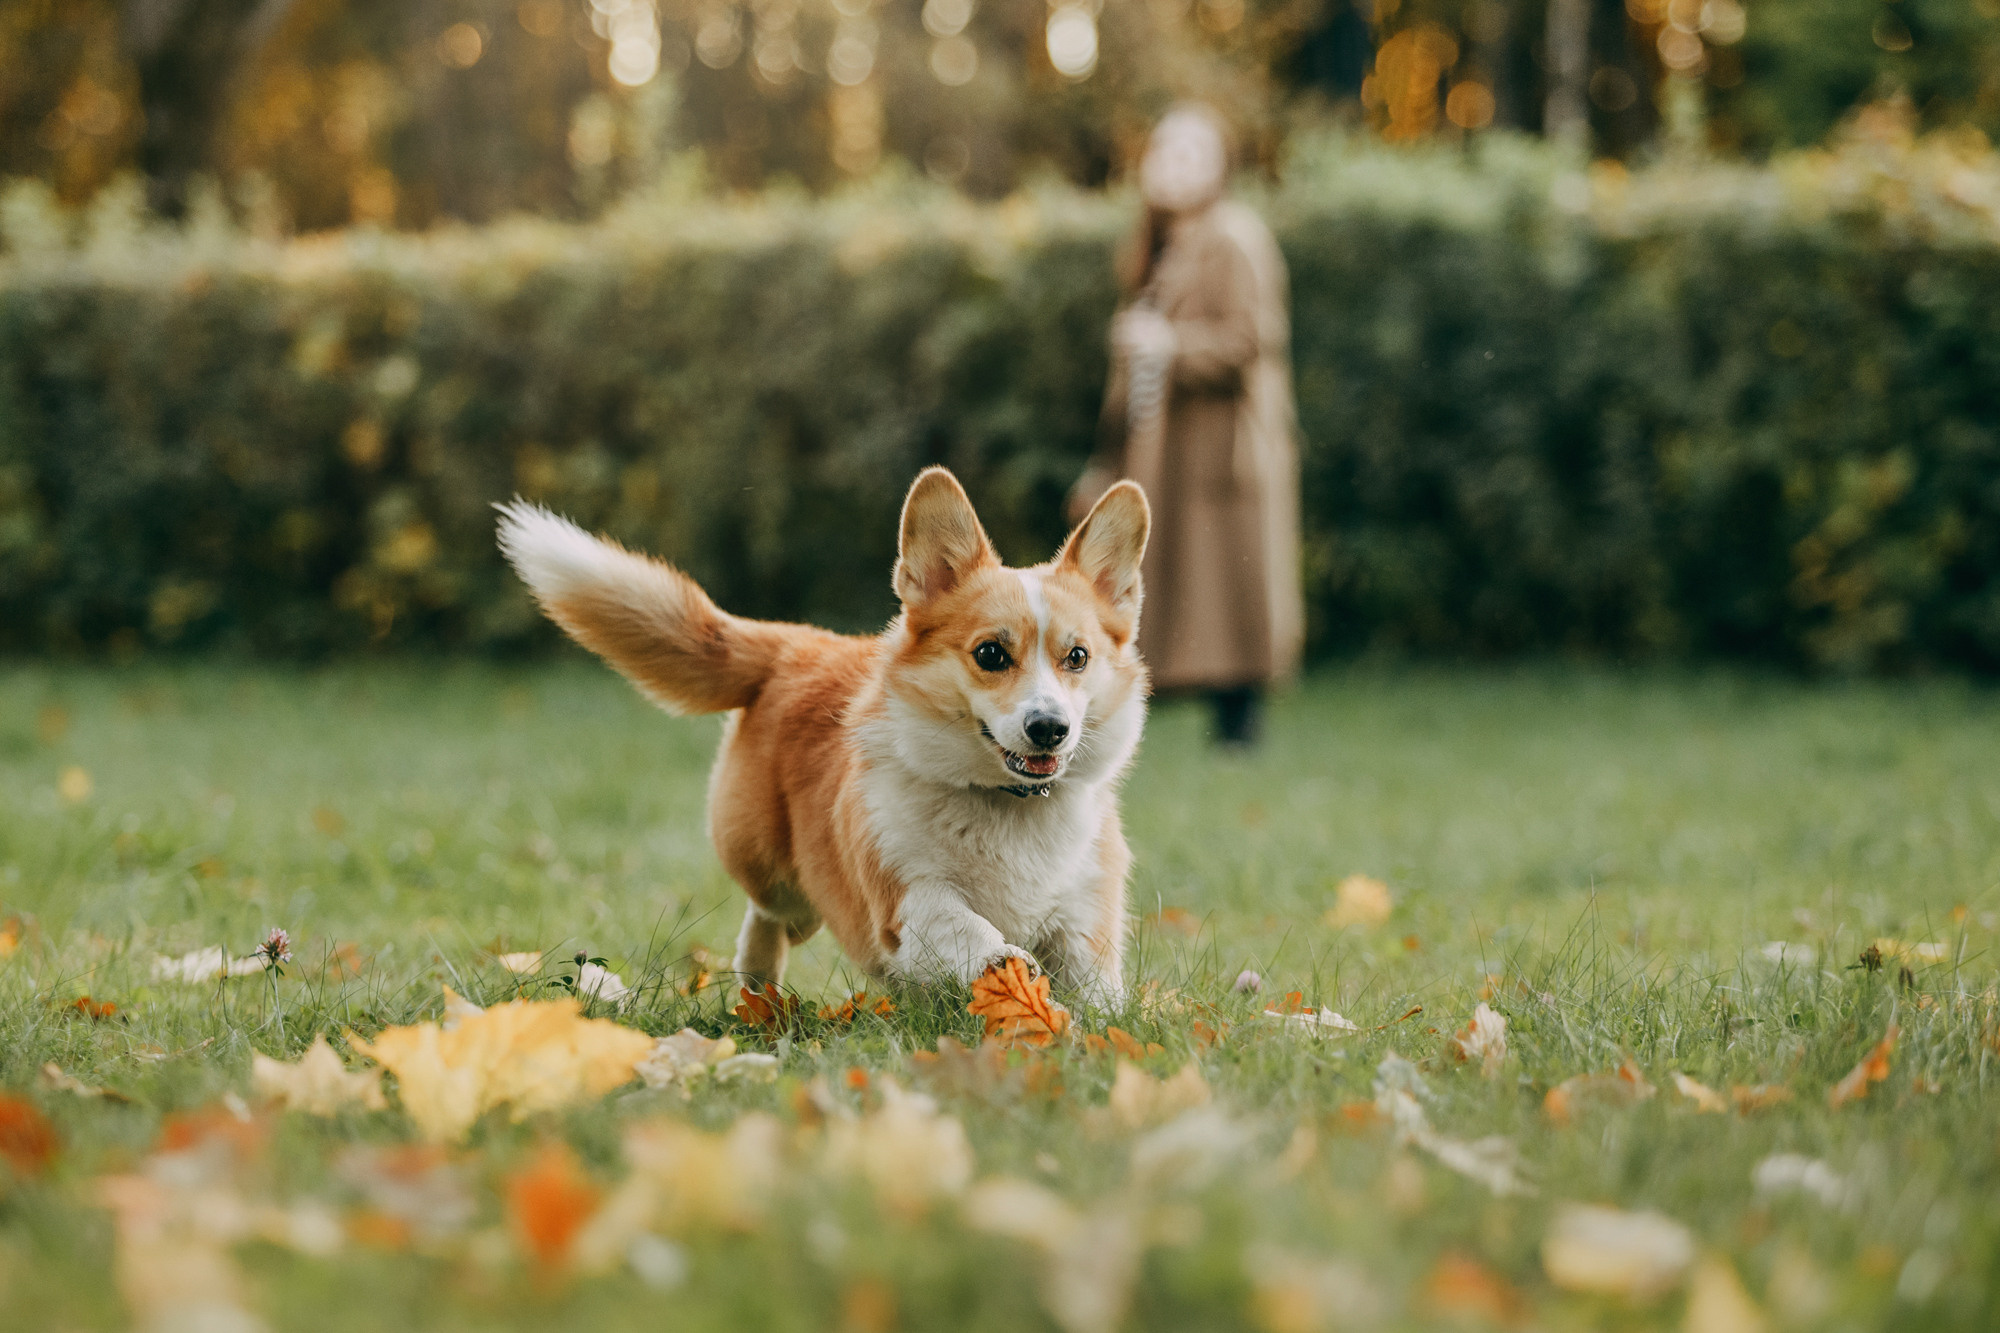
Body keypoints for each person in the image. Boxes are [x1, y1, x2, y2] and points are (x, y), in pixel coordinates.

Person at [1069, 104, 1303, 748]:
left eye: (1192, 154)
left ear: (1219, 169)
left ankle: (1238, 726)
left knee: (1226, 581)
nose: (1175, 166)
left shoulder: (1234, 236)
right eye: (1164, 152)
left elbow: (1252, 342)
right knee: (1182, 578)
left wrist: (1170, 344)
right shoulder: (1157, 244)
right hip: (1164, 447)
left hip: (1219, 449)